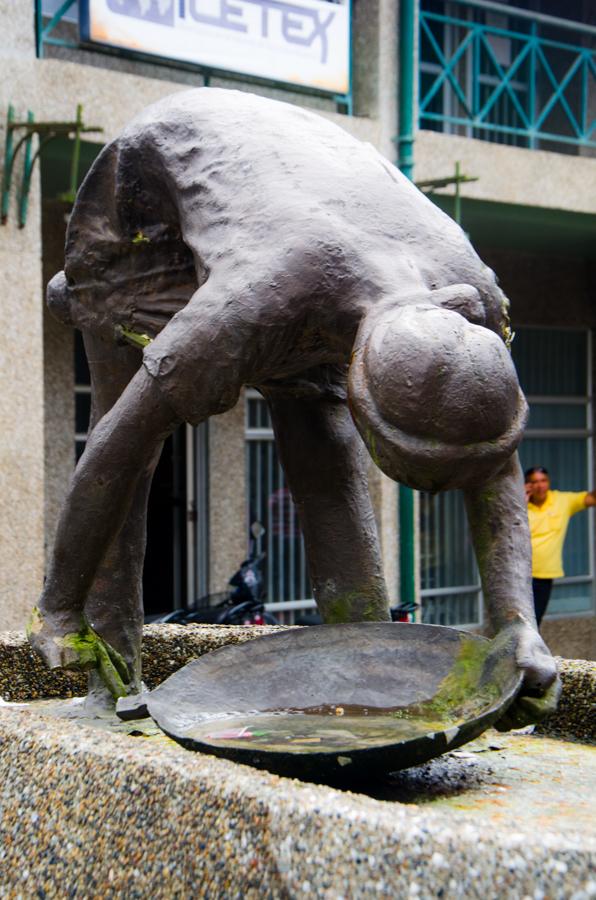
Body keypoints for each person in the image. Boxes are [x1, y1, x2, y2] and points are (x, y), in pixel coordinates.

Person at [28, 88, 559, 727]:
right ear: (366, 389)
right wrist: (59, 605)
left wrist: (515, 625)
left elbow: (493, 462)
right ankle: (111, 673)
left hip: (305, 210)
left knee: (324, 439)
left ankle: (366, 672)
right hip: (141, 210)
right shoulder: (245, 308)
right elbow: (115, 447)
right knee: (137, 434)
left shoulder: (475, 297)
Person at [525, 466, 596, 625]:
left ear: (549, 482)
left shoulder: (561, 500)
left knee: (534, 623)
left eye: (543, 481)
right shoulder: (520, 503)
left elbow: (591, 499)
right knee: (518, 625)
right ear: (527, 485)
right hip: (519, 575)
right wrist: (519, 497)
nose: (540, 485)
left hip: (544, 576)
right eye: (534, 482)